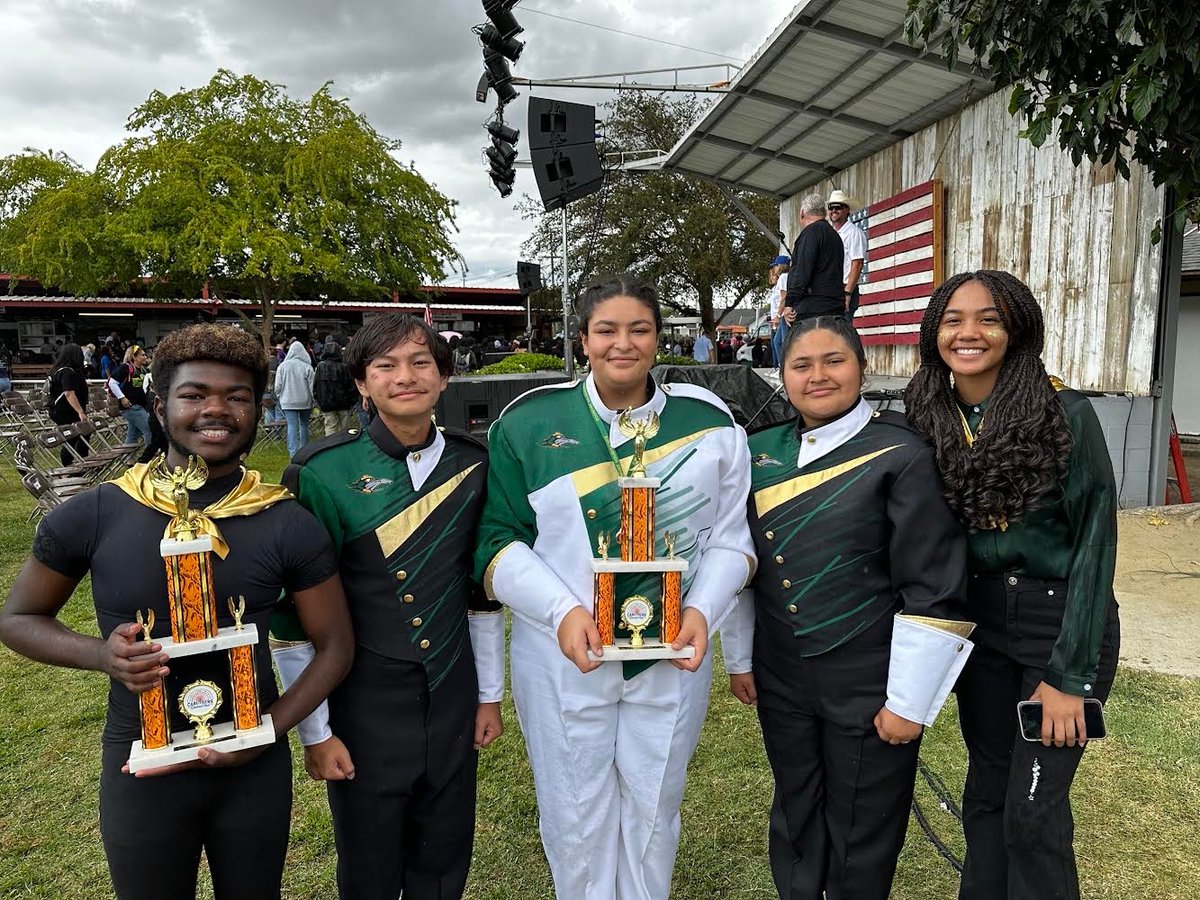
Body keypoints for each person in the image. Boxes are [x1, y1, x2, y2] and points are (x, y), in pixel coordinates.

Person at [0, 323, 355, 900]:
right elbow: (17, 619)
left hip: (251, 771)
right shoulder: (96, 513)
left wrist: (269, 730)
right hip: (141, 763)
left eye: (237, 396)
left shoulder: (286, 521)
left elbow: (335, 645)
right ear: (160, 408)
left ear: (255, 408)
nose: (216, 410)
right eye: (194, 395)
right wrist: (103, 655)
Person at [474, 274, 755, 900]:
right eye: (606, 330)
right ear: (583, 339)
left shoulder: (710, 422)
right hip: (562, 653)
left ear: (659, 338)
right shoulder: (529, 420)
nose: (622, 343)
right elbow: (498, 540)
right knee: (574, 811)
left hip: (671, 655)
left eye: (639, 329)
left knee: (656, 805)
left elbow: (734, 541)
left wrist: (703, 613)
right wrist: (563, 610)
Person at [722, 315, 971, 900]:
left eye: (834, 361)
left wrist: (909, 703)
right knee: (796, 809)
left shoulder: (903, 452)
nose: (818, 376)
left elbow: (932, 585)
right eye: (800, 365)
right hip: (782, 672)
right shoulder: (757, 452)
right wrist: (741, 659)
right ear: (781, 375)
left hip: (870, 678)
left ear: (861, 366)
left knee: (864, 823)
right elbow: (738, 564)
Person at [903, 271, 1121, 900]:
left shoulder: (1065, 413)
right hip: (979, 624)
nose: (969, 332)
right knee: (987, 797)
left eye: (989, 318)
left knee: (1033, 814)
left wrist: (1069, 677)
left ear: (1017, 327)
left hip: (1055, 627)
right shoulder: (925, 417)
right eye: (953, 319)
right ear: (933, 332)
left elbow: (1095, 546)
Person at [272, 314, 504, 900]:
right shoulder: (320, 472)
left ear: (445, 377)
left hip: (452, 693)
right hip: (362, 701)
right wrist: (315, 732)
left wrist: (488, 696)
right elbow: (294, 618)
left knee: (446, 855)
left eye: (421, 362)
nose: (406, 377)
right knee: (369, 863)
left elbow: (481, 593)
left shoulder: (475, 463)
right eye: (386, 366)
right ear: (361, 383)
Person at [782, 192, 845, 329]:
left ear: (802, 212)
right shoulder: (835, 236)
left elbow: (801, 271)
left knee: (795, 349)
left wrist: (789, 303)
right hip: (835, 307)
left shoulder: (810, 233)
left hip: (812, 309)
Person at [46, 342, 90, 466]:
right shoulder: (67, 373)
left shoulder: (61, 370)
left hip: (65, 410)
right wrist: (80, 412)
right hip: (65, 411)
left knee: (83, 433)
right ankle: (68, 468)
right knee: (71, 437)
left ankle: (83, 461)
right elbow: (69, 393)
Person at [827, 190, 867, 323]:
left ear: (847, 210)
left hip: (844, 288)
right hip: (831, 289)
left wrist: (847, 293)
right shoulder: (830, 234)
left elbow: (857, 264)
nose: (834, 210)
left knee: (842, 332)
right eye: (831, 207)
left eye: (838, 207)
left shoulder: (854, 233)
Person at [108, 344, 154, 450]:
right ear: (134, 357)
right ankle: (149, 458)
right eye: (142, 355)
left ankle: (128, 460)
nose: (145, 357)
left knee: (133, 435)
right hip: (131, 406)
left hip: (142, 406)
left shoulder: (144, 370)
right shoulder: (125, 368)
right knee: (149, 430)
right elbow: (112, 383)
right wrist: (122, 397)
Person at [274, 339, 314, 457]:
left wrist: (281, 397)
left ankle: (293, 452)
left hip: (288, 401)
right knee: (304, 425)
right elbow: (312, 387)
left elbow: (278, 386)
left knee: (292, 425)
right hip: (305, 401)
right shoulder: (307, 367)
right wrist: (313, 399)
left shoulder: (282, 366)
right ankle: (305, 449)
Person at [312, 343, 358, 436]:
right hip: (344, 403)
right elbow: (351, 386)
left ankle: (331, 446)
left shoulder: (321, 366)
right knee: (344, 428)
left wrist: (318, 400)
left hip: (327, 403)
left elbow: (316, 385)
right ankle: (343, 445)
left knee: (330, 427)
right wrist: (352, 401)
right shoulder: (344, 367)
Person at [768, 254, 790, 366]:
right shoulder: (787, 277)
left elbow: (783, 299)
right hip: (782, 314)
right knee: (778, 342)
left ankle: (784, 367)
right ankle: (782, 367)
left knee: (781, 342)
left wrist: (778, 315)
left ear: (780, 266)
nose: (774, 269)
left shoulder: (782, 278)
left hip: (783, 314)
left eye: (775, 266)